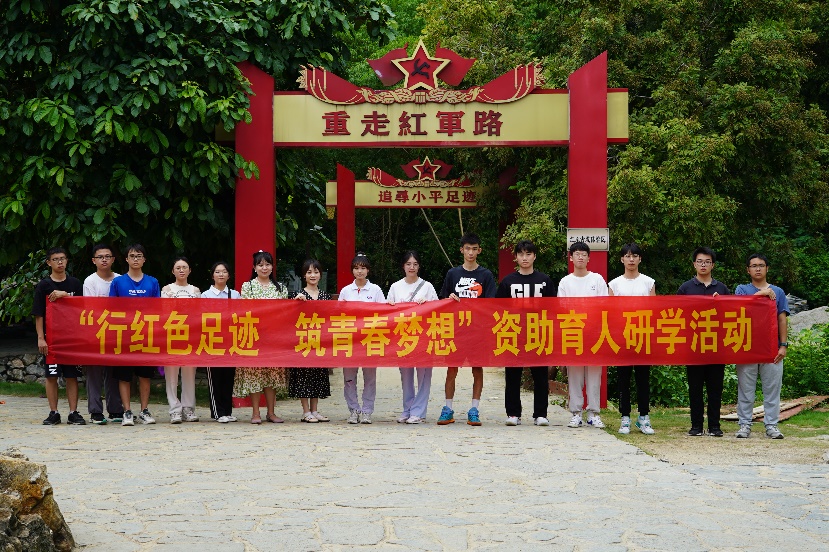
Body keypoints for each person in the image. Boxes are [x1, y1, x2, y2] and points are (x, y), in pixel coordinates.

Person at [437, 233, 496, 426]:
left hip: (477, 331)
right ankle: (447, 409)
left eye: (474, 249)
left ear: (479, 251)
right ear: (461, 250)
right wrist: (450, 299)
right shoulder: (452, 274)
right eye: (467, 248)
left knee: (477, 369)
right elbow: (442, 301)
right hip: (456, 330)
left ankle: (474, 410)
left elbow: (491, 305)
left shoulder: (486, 275)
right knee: (451, 369)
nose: (471, 252)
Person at [496, 240, 555, 427]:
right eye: (521, 254)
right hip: (514, 333)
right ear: (515, 257)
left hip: (538, 333)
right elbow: (497, 308)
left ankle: (541, 414)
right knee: (513, 375)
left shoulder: (544, 281)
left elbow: (554, 309)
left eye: (528, 254)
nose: (525, 258)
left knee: (540, 376)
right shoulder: (507, 282)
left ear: (534, 256)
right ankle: (513, 413)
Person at [734, 254, 789, 439]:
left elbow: (782, 319)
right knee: (745, 389)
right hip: (746, 347)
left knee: (772, 389)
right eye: (754, 266)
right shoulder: (741, 289)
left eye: (761, 265)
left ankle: (772, 426)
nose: (758, 269)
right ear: (748, 270)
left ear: (767, 268)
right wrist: (761, 294)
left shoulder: (778, 292)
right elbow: (739, 308)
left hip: (772, 348)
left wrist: (783, 345)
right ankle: (744, 425)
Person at [676, 247, 730, 437]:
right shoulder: (685, 288)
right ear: (694, 264)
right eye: (700, 261)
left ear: (713, 265)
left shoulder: (722, 289)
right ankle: (696, 425)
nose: (703, 265)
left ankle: (715, 426)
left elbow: (730, 315)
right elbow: (677, 313)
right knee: (695, 388)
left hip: (716, 345)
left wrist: (720, 303)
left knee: (715, 388)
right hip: (694, 345)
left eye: (707, 262)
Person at [233, 250, 290, 425]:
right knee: (255, 375)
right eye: (260, 265)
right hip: (254, 336)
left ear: (272, 267)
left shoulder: (281, 287)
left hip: (274, 338)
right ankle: (255, 412)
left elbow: (285, 311)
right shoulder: (248, 286)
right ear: (254, 267)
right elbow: (247, 310)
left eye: (267, 264)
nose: (264, 268)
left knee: (271, 375)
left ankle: (271, 413)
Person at [109, 244, 161, 426]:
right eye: (132, 256)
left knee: (144, 375)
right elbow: (111, 309)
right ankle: (127, 411)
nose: (136, 259)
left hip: (145, 336)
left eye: (139, 255)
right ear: (126, 259)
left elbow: (157, 309)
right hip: (123, 336)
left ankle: (144, 410)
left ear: (144, 259)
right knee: (124, 376)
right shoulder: (118, 282)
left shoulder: (152, 282)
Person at [558, 241, 609, 429]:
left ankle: (593, 413)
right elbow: (562, 308)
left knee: (594, 375)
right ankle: (576, 413)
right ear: (571, 258)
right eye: (576, 254)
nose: (580, 257)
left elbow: (604, 306)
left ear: (588, 258)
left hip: (595, 333)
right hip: (573, 332)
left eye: (583, 254)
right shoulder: (565, 282)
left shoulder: (597, 280)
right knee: (575, 375)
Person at [32, 247, 85, 425]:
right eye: (55, 259)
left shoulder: (75, 284)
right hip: (52, 340)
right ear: (49, 262)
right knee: (51, 376)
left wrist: (65, 296)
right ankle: (53, 412)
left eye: (62, 258)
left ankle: (73, 412)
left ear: (67, 260)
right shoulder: (44, 285)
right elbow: (38, 314)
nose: (60, 262)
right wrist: (41, 338)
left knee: (72, 376)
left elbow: (82, 308)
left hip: (72, 338)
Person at [608, 243, 656, 435]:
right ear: (622, 259)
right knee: (623, 379)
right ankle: (625, 417)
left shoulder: (648, 282)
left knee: (643, 379)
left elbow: (653, 310)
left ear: (640, 259)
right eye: (627, 256)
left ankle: (644, 417)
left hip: (643, 335)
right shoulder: (614, 284)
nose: (631, 259)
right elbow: (611, 313)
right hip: (622, 337)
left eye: (634, 256)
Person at [387, 250, 439, 424]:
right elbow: (388, 311)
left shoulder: (427, 286)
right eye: (408, 264)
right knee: (406, 375)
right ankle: (407, 409)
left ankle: (419, 411)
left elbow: (437, 310)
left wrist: (428, 304)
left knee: (424, 376)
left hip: (423, 337)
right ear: (403, 266)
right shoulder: (395, 287)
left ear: (419, 266)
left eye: (415, 264)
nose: (412, 267)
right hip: (403, 338)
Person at [338, 252, 386, 424]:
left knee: (370, 378)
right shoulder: (346, 291)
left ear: (368, 270)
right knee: (349, 378)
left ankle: (367, 411)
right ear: (352, 270)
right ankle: (353, 410)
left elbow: (385, 313)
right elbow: (337, 314)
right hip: (350, 341)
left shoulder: (376, 290)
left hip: (370, 340)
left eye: (363, 268)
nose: (360, 271)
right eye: (356, 268)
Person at [82, 244, 124, 424]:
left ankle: (115, 409)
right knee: (94, 373)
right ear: (94, 260)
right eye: (100, 257)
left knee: (114, 373)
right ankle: (95, 411)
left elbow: (126, 307)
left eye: (107, 256)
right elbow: (91, 309)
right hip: (96, 332)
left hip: (117, 333)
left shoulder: (121, 279)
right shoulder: (90, 281)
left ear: (113, 259)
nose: (104, 259)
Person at [290, 259, 332, 423]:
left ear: (320, 275)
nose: (312, 275)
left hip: (320, 342)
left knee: (317, 375)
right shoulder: (297, 295)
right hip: (302, 342)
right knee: (303, 376)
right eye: (309, 272)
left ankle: (315, 410)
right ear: (304, 275)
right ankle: (306, 411)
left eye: (315, 272)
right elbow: (289, 318)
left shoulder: (326, 296)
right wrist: (295, 303)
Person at [161, 257, 201, 424]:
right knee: (171, 375)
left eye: (184, 267)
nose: (181, 270)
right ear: (173, 271)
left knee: (189, 374)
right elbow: (164, 312)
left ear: (189, 270)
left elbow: (198, 313)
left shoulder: (195, 290)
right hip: (172, 336)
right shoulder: (167, 289)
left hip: (190, 336)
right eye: (178, 267)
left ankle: (188, 408)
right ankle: (174, 410)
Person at [202, 261, 241, 423]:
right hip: (213, 342)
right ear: (212, 275)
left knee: (228, 377)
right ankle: (218, 412)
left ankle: (227, 411)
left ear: (229, 275)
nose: (221, 274)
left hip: (230, 342)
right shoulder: (205, 295)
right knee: (215, 378)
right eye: (217, 272)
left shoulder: (235, 295)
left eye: (224, 271)